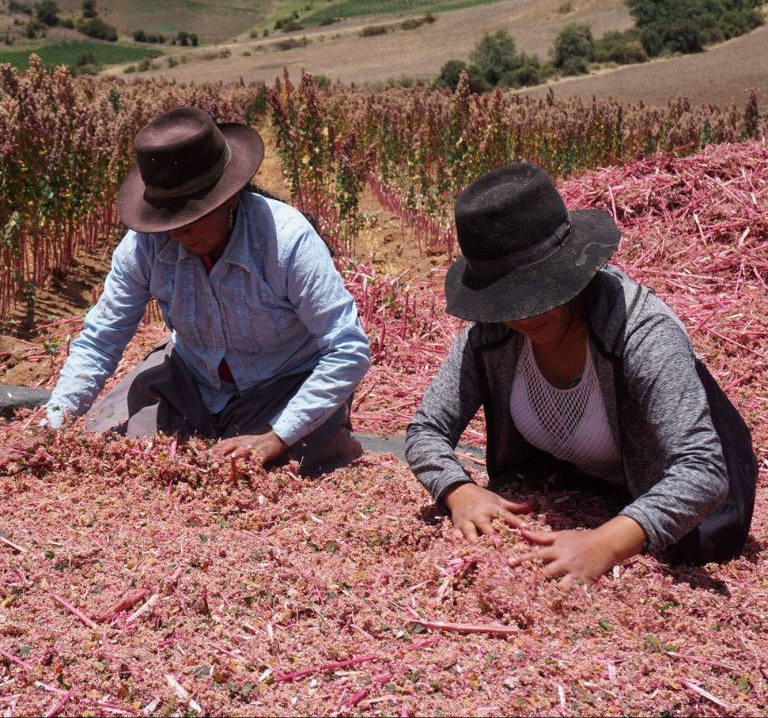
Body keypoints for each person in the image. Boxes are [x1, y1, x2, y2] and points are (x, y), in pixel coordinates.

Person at [405, 163, 758, 582]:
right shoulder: (491, 335)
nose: (523, 314)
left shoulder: (639, 330)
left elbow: (702, 470)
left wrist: (605, 544)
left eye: (538, 293)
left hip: (666, 503)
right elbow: (426, 429)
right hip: (583, 487)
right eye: (507, 302)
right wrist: (458, 490)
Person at [45, 106, 370, 472]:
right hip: (191, 377)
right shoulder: (146, 245)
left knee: (278, 466)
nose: (177, 235)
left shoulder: (285, 239)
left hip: (282, 382)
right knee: (127, 452)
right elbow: (102, 339)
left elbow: (348, 348)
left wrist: (276, 436)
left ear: (229, 199)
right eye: (167, 222)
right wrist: (52, 424)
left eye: (190, 220)